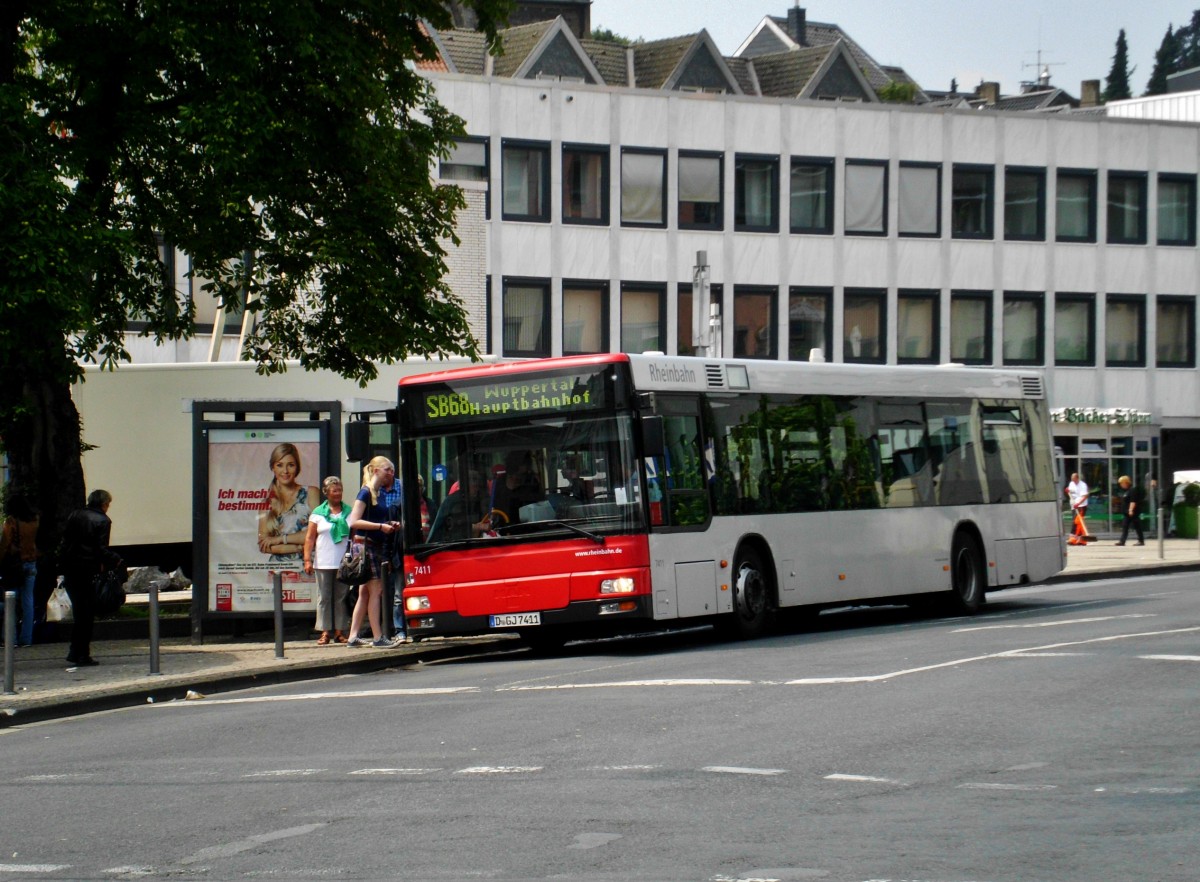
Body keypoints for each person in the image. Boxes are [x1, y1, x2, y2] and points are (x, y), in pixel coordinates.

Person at [60, 489, 123, 666]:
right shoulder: (103, 521)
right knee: (86, 615)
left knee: (80, 612)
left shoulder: (75, 515)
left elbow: (66, 541)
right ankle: (82, 654)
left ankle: (75, 651)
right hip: (88, 570)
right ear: (104, 504)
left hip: (71, 569)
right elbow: (100, 548)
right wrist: (115, 560)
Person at [346, 456, 399, 647]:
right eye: (387, 469)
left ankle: (353, 636)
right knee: (375, 591)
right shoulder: (366, 493)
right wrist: (380, 527)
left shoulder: (378, 493)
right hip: (366, 547)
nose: (391, 474)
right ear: (376, 471)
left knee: (365, 594)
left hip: (370, 545)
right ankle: (378, 637)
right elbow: (354, 521)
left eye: (392, 470)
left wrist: (388, 524)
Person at [303, 476, 351, 645]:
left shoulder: (349, 512)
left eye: (339, 490)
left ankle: (339, 631)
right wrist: (307, 559)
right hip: (323, 561)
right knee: (324, 597)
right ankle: (325, 632)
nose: (337, 494)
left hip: (343, 563)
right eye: (334, 491)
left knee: (341, 597)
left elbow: (354, 536)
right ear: (326, 493)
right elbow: (309, 538)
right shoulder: (317, 513)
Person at [257, 442, 318, 564]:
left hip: (308, 568)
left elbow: (316, 533)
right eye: (280, 465)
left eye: (290, 465)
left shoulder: (311, 493)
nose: (285, 471)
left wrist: (279, 539)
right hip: (277, 572)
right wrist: (299, 547)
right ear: (273, 467)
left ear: (297, 468)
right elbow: (264, 546)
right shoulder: (266, 503)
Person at [0, 491, 39, 647]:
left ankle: (11, 639)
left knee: (11, 601)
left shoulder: (11, 521)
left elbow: (5, 544)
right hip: (31, 562)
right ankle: (27, 638)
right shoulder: (34, 520)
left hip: (14, 565)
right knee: (28, 601)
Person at [427, 467, 491, 541]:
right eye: (473, 479)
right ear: (464, 482)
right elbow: (452, 526)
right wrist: (478, 527)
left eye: (479, 480)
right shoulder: (452, 501)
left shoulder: (482, 498)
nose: (477, 483)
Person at [489, 450, 544, 526]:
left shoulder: (531, 481)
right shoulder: (500, 482)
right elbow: (496, 509)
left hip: (529, 527)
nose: (518, 477)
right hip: (504, 528)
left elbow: (540, 506)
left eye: (523, 474)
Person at [1115, 474, 1145, 546]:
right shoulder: (1126, 491)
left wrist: (1131, 510)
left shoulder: (1132, 490)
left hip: (1132, 512)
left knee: (1137, 526)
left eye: (1122, 483)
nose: (1121, 485)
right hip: (1126, 513)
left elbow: (1133, 501)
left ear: (1126, 482)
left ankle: (1141, 541)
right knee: (1125, 527)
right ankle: (1122, 541)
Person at [1066, 472, 1090, 537]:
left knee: (1077, 521)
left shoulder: (1083, 485)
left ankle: (1073, 535)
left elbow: (1085, 496)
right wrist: (1068, 490)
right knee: (1075, 520)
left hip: (1081, 506)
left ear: (1077, 478)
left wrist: (1078, 503)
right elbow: (1071, 491)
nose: (1073, 481)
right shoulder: (1071, 483)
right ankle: (1078, 536)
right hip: (1074, 505)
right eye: (1072, 479)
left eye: (1074, 479)